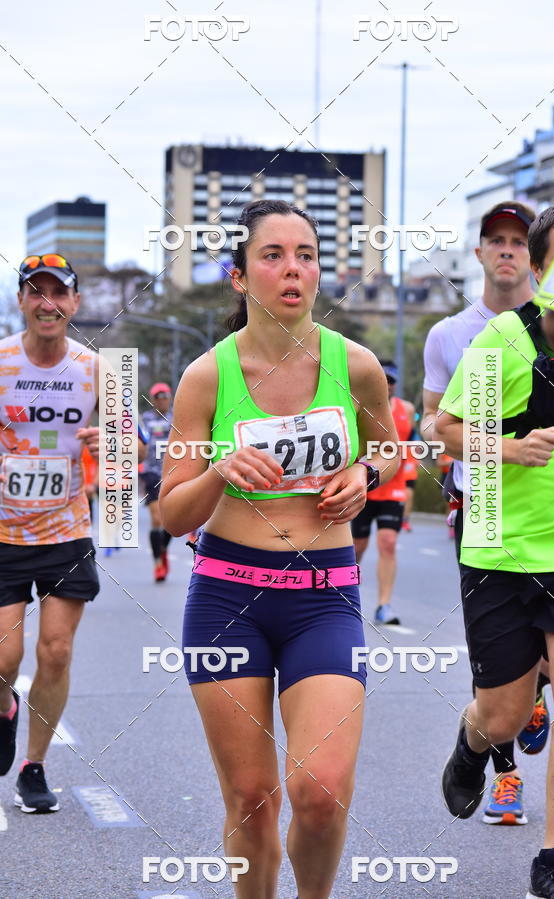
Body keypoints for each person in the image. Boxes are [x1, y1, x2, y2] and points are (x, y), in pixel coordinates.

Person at [159, 199, 398, 899]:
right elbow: (172, 512)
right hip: (228, 601)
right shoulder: (208, 376)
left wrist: (365, 473)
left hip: (324, 599)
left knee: (320, 791)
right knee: (251, 798)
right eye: (273, 255)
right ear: (238, 277)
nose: (293, 269)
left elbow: (388, 447)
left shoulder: (356, 366)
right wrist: (219, 471)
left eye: (306, 255)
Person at [437, 203, 554, 898]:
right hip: (501, 550)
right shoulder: (504, 337)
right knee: (504, 713)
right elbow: (447, 428)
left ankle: (552, 857)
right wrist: (509, 447)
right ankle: (474, 741)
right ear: (538, 269)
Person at [422, 201, 551, 827]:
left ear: (538, 257)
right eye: (495, 240)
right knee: (501, 663)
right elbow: (433, 421)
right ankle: (505, 776)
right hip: (484, 507)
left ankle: (533, 691)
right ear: (478, 253)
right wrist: (474, 446)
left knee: (549, 661)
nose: (506, 250)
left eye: (518, 241)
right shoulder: (451, 334)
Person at [0, 254, 100, 813]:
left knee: (56, 652)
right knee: (5, 659)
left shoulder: (98, 369)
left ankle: (33, 768)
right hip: (3, 533)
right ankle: (5, 706)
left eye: (58, 293)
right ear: (20, 301)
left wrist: (109, 444)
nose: (47, 303)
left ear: (74, 303)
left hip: (66, 530)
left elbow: (134, 449)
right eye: (35, 293)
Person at [351, 360, 414, 624]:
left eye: (391, 381)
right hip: (364, 486)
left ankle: (384, 605)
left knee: (388, 543)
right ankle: (344, 595)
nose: (387, 385)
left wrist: (410, 481)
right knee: (357, 547)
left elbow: (410, 447)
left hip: (393, 487)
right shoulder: (357, 403)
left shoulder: (407, 410)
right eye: (384, 380)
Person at [141, 383, 173, 581]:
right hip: (151, 472)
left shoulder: (177, 417)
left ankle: (162, 548)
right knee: (156, 518)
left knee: (170, 519)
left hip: (173, 472)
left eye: (165, 396)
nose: (162, 400)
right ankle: (158, 563)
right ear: (152, 400)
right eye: (158, 397)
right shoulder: (145, 419)